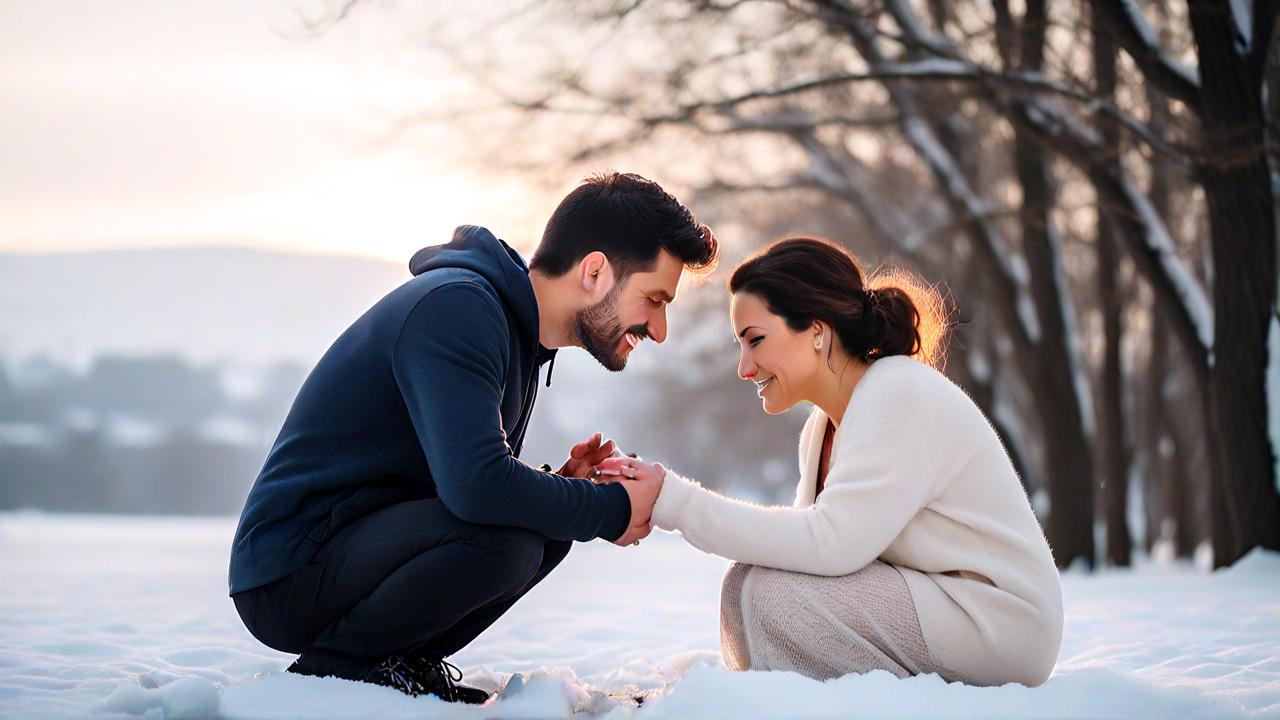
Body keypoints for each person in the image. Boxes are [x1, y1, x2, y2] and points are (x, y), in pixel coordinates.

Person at [228, 172, 718, 702]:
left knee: (545, 529)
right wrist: (610, 507)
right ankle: (337, 672)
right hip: (289, 569)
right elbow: (476, 489)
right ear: (595, 271)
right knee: (507, 539)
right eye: (655, 298)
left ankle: (399, 664)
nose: (660, 328)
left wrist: (566, 488)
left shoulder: (511, 334)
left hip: (350, 548)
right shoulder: (458, 309)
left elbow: (469, 483)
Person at [595, 236, 1063, 687]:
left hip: (999, 622)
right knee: (747, 584)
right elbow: (800, 556)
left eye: (755, 340)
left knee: (772, 597)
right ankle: (759, 700)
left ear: (817, 331)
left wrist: (673, 501)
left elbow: (831, 545)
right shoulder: (822, 429)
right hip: (937, 600)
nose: (744, 367)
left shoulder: (898, 391)